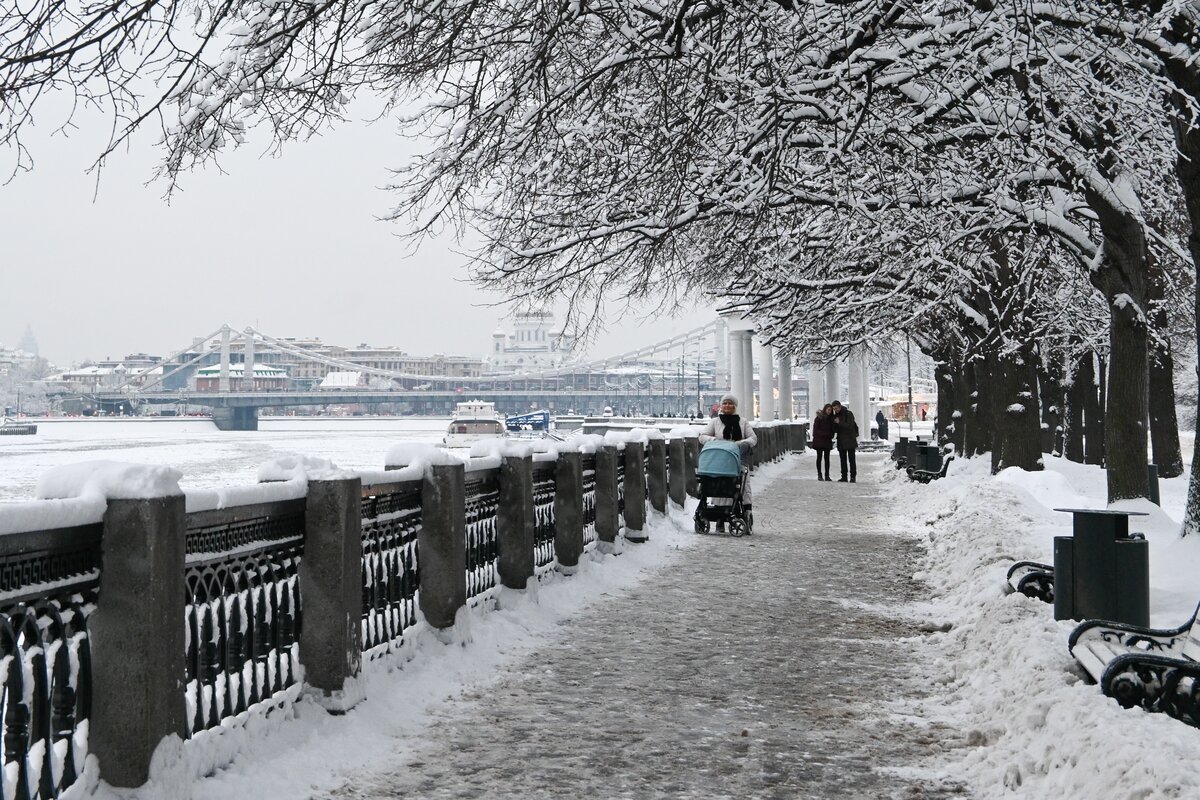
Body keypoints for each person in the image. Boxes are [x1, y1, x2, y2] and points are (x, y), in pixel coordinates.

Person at [698, 393, 758, 526]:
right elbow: (702, 437)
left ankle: (742, 511)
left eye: (730, 403)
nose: (727, 406)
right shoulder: (715, 422)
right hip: (719, 460)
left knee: (741, 484)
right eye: (724, 403)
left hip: (737, 459)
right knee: (719, 486)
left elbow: (753, 438)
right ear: (721, 405)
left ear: (735, 406)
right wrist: (714, 441)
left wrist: (740, 443)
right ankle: (719, 516)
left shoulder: (743, 422)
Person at [830, 400, 858, 483]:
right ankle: (844, 477)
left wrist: (839, 423)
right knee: (843, 460)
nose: (835, 410)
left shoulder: (848, 413)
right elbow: (836, 430)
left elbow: (850, 426)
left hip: (850, 439)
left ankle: (853, 477)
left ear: (840, 406)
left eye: (836, 408)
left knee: (851, 459)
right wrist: (834, 424)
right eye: (834, 409)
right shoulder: (836, 416)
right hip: (841, 440)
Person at [810, 403, 835, 481]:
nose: (829, 411)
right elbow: (815, 431)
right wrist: (826, 434)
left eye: (830, 410)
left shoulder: (831, 419)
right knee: (819, 457)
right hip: (819, 441)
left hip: (827, 441)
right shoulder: (819, 418)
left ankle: (827, 475)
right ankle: (819, 475)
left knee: (827, 459)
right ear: (825, 409)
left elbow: (833, 431)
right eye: (828, 410)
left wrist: (830, 435)